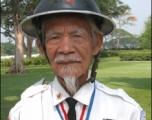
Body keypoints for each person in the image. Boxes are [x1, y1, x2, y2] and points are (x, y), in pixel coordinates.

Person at [9, 0, 146, 120]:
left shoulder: (125, 111)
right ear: (42, 48)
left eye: (77, 36)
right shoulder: (24, 112)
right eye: (55, 37)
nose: (66, 48)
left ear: (96, 43)